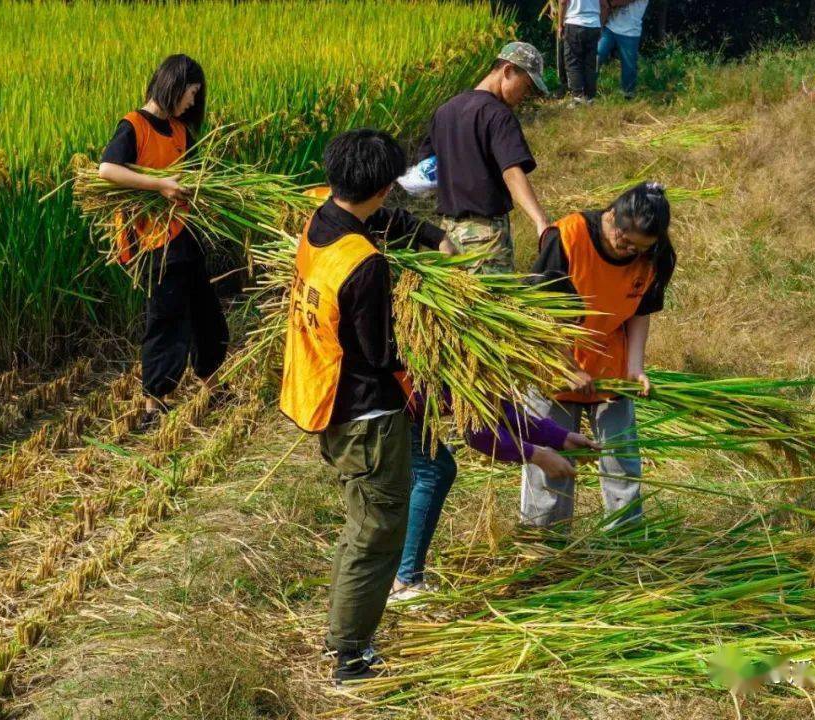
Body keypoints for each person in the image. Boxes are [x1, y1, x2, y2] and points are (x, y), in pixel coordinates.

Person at [278, 129, 452, 685]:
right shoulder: (366, 265)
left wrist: (426, 233)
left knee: (363, 525)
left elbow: (379, 222)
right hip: (367, 417)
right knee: (376, 533)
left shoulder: (321, 219)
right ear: (382, 187)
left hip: (328, 397)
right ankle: (351, 656)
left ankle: (346, 635)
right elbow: (382, 354)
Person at [521, 182, 675, 527]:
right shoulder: (567, 237)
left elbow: (640, 309)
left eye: (640, 247)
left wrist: (635, 368)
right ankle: (544, 546)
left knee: (622, 462)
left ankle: (624, 544)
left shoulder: (654, 256)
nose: (630, 251)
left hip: (609, 364)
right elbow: (542, 313)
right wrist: (567, 366)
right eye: (626, 240)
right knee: (553, 461)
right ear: (613, 217)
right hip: (554, 362)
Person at [98, 54, 229, 429]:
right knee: (167, 321)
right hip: (153, 240)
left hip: (186, 235)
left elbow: (196, 174)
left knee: (207, 316)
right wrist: (160, 185)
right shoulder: (134, 126)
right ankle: (154, 405)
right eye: (191, 93)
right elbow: (107, 169)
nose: (192, 102)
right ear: (173, 85)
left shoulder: (181, 130)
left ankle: (214, 386)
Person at [391, 389, 599, 601]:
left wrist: (561, 438)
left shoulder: (480, 366)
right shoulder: (461, 361)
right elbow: (479, 432)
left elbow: (498, 413)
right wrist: (537, 455)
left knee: (427, 472)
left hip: (400, 405)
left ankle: (394, 574)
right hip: (386, 403)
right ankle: (405, 581)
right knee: (434, 471)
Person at [417, 42, 550, 274]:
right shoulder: (498, 115)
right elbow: (511, 172)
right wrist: (540, 219)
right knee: (495, 305)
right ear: (508, 71)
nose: (525, 95)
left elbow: (426, 169)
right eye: (526, 86)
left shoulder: (445, 111)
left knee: (458, 308)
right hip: (485, 239)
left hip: (447, 237)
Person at [598, 0, 650, 100]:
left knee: (629, 66)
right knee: (596, 55)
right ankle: (587, 89)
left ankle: (628, 94)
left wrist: (609, 4)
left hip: (630, 31)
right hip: (610, 27)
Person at [558, 0, 603, 102]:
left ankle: (578, 97)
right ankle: (590, 96)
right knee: (590, 63)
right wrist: (601, 25)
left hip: (574, 22)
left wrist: (560, 25)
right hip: (594, 24)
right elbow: (604, 4)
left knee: (573, 62)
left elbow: (562, 2)